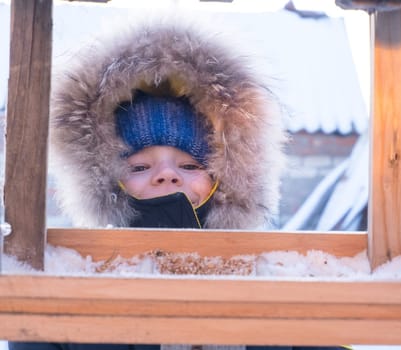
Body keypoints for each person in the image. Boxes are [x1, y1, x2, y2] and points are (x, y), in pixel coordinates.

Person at [9, 13, 339, 350]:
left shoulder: (280, 287)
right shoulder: (68, 294)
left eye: (190, 164)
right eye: (139, 167)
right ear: (105, 182)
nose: (167, 174)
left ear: (225, 179)